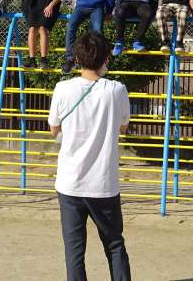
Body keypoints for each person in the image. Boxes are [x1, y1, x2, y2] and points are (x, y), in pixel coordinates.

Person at [49, 31, 131, 281]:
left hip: (70, 182)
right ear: (106, 58)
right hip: (103, 184)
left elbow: (54, 129)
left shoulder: (62, 88)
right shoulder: (117, 90)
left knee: (74, 250)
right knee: (114, 244)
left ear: (76, 58)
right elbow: (123, 127)